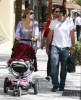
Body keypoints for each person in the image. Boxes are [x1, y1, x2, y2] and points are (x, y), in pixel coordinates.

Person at [46, 6, 75, 92]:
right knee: (54, 66)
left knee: (63, 68)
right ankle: (55, 84)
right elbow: (50, 35)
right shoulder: (53, 22)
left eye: (57, 11)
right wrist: (47, 47)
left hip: (65, 48)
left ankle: (62, 85)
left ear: (62, 12)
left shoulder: (69, 22)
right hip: (55, 47)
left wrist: (73, 46)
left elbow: (72, 35)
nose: (55, 13)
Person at [41, 6, 60, 81]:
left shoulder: (61, 22)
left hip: (58, 44)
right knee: (50, 59)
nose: (55, 15)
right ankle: (49, 75)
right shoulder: (49, 22)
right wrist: (43, 42)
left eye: (56, 13)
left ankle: (55, 75)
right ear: (52, 14)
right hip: (50, 43)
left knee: (56, 60)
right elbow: (45, 33)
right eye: (54, 13)